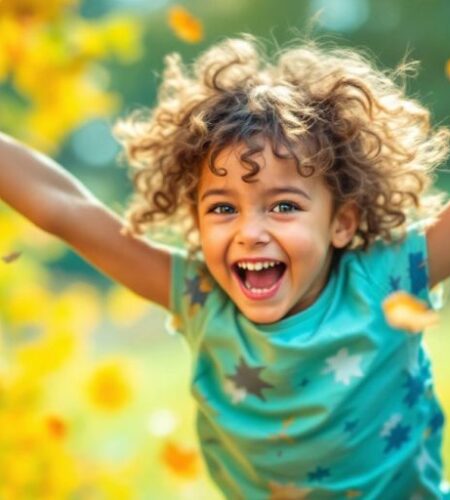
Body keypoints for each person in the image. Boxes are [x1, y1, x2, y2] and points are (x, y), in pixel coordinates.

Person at [1, 35, 450, 499]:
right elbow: (66, 210)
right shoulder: (198, 298)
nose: (249, 232)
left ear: (342, 222)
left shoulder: (386, 281)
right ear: (195, 221)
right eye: (221, 209)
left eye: (282, 207)